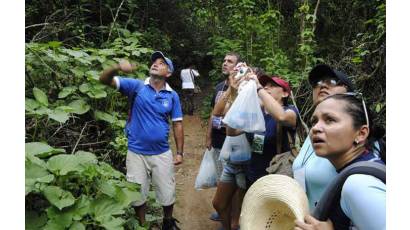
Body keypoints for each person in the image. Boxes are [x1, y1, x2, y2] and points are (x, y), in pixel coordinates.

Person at [99, 51, 184, 230]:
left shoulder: (172, 96)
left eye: (162, 63)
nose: (155, 64)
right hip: (136, 152)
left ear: (168, 73)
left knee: (167, 192)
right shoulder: (136, 86)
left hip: (162, 152)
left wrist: (179, 153)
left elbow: (177, 124)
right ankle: (142, 225)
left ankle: (168, 221)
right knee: (137, 193)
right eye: (154, 62)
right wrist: (117, 67)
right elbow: (104, 79)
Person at [294, 93, 386, 230]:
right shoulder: (354, 172)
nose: (315, 128)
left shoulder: (358, 184)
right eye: (314, 121)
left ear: (361, 133)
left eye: (329, 120)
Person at [292, 64, 357, 211]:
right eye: (317, 83)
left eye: (332, 81)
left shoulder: (356, 132)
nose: (322, 86)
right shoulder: (316, 131)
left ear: (348, 91)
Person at [205, 52, 242, 224]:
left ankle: (233, 219)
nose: (225, 63)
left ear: (238, 66)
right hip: (218, 139)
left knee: (234, 183)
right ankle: (223, 213)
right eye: (224, 60)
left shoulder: (243, 87)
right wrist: (208, 136)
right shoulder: (219, 87)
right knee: (222, 178)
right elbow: (213, 114)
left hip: (235, 141)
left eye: (230, 61)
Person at [245, 72, 299, 187]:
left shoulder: (291, 111)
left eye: (272, 85)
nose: (266, 87)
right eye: (264, 85)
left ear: (285, 93)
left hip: (276, 176)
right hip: (253, 174)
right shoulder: (257, 113)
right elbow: (232, 131)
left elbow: (281, 117)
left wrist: (259, 87)